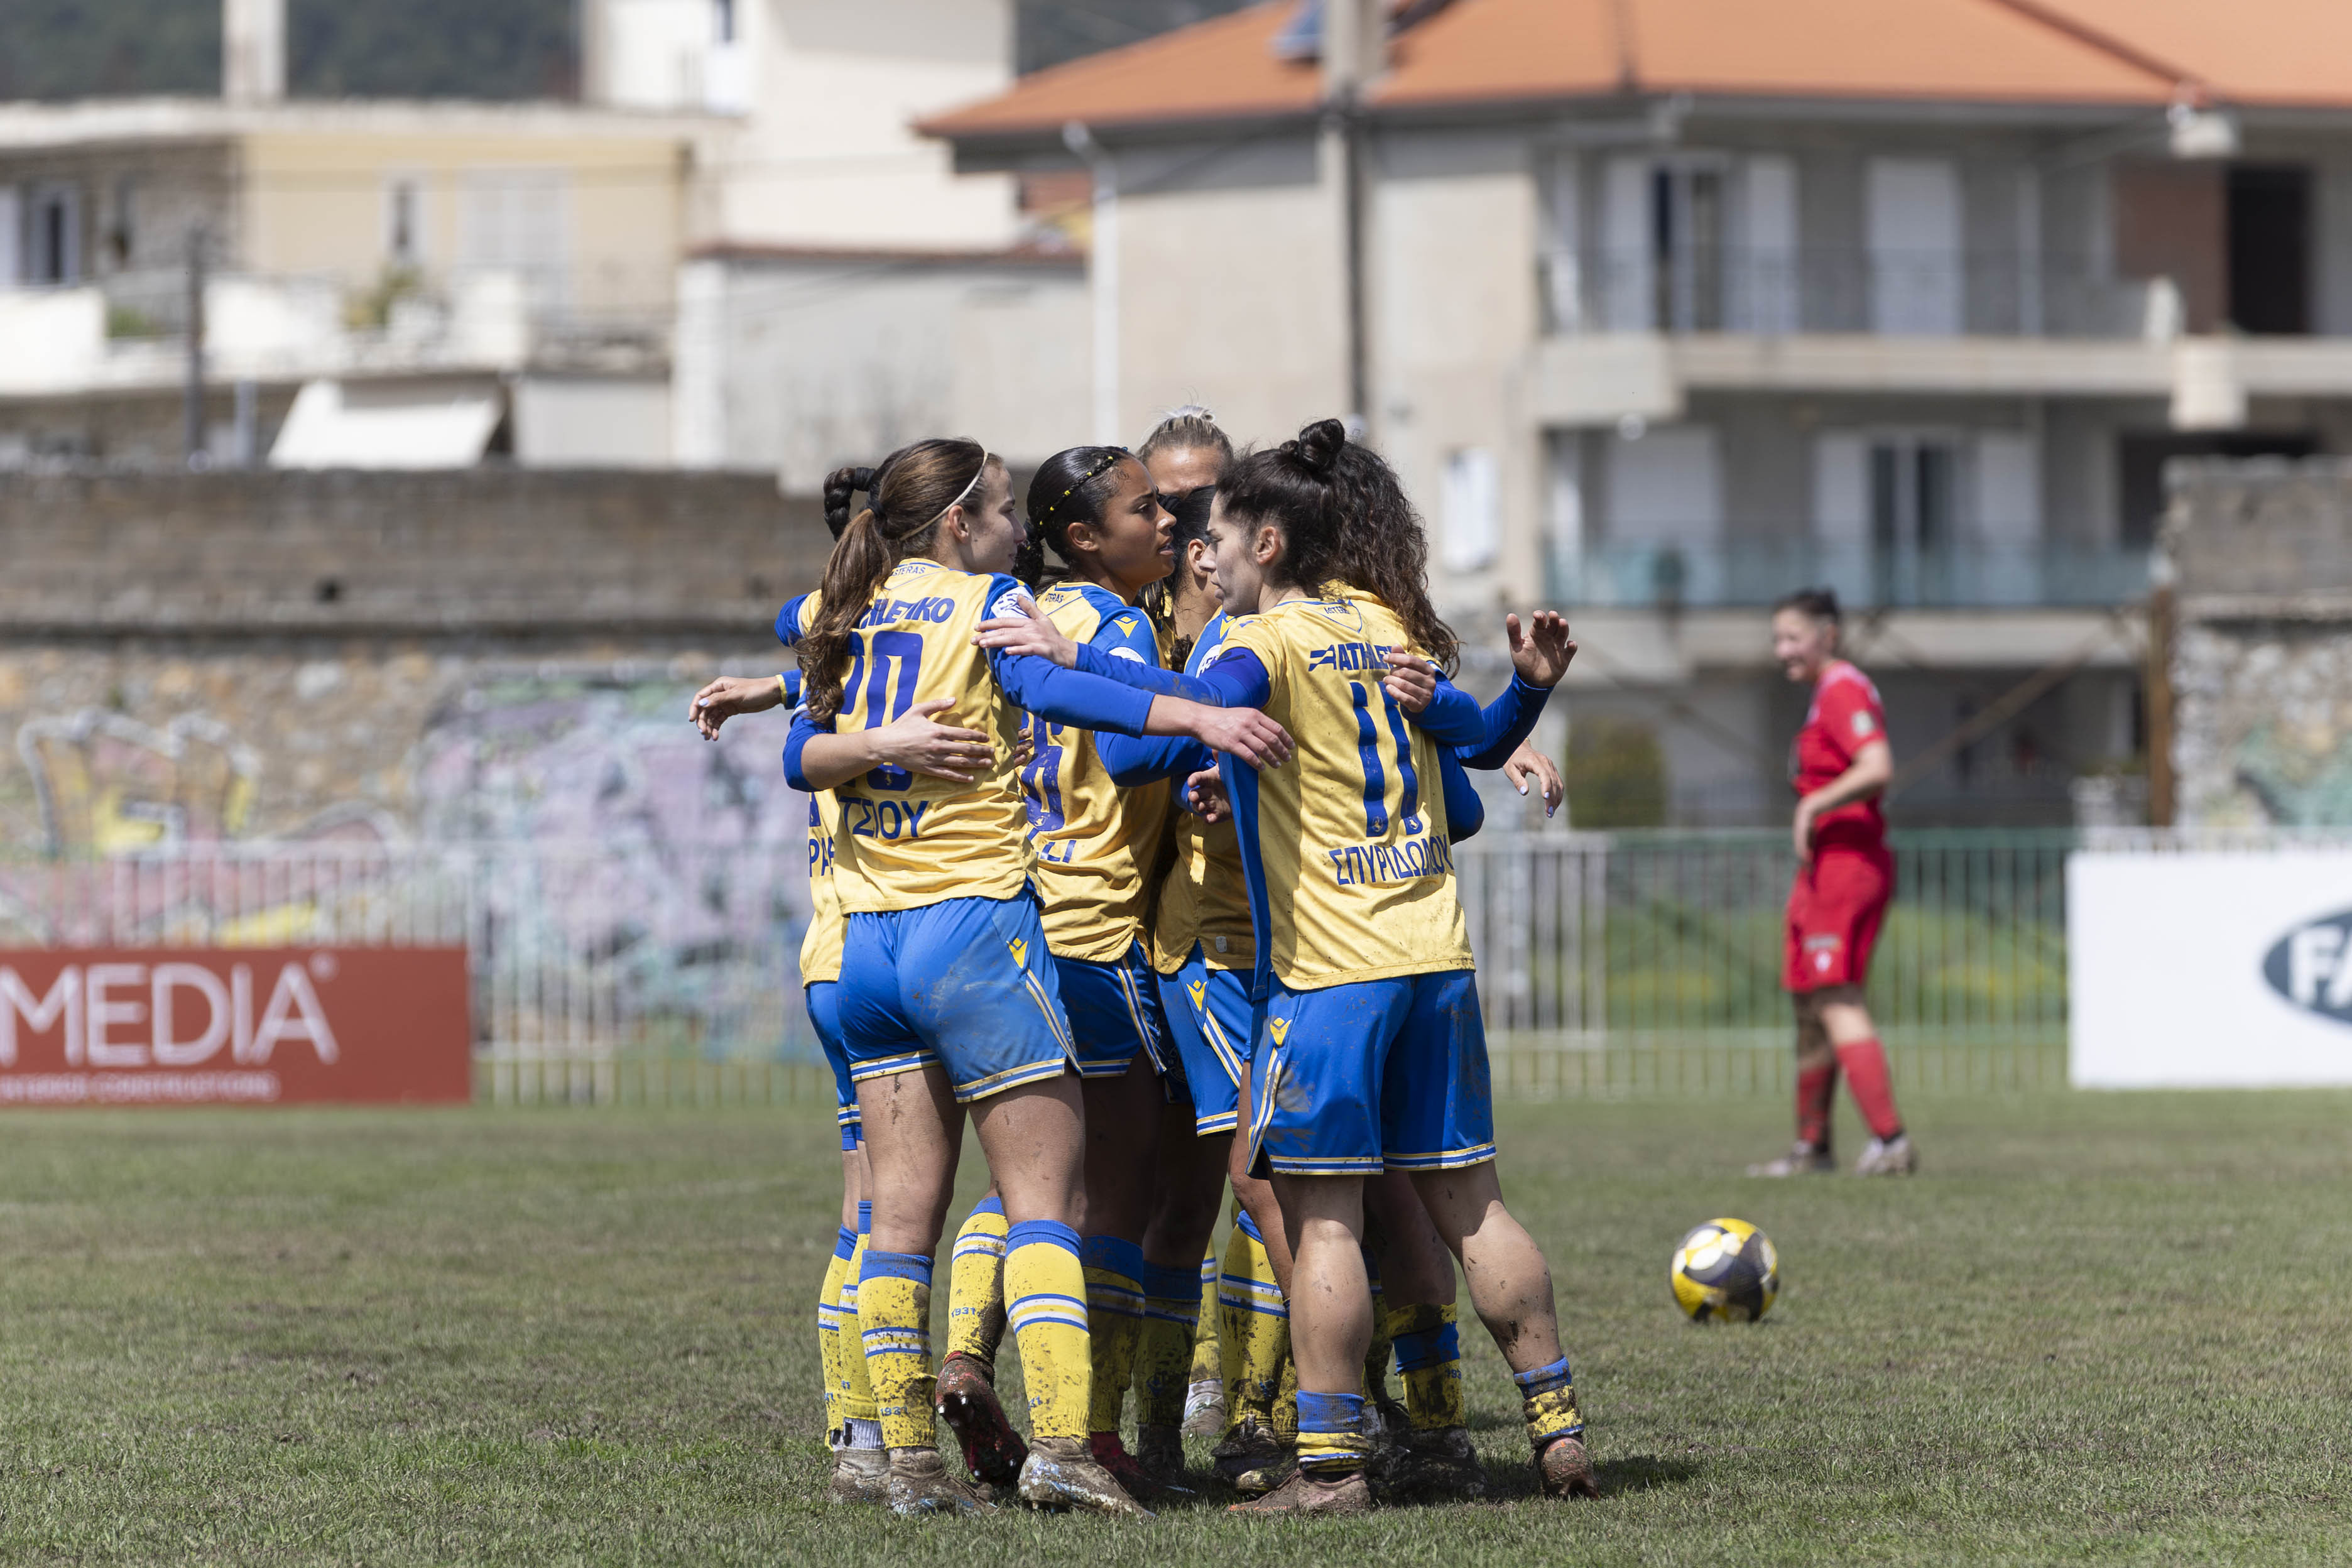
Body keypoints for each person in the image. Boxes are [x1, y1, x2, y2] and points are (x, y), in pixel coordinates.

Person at [993, 418, 1594, 1515]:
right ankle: (1553, 1426)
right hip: (1435, 958)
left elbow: (1138, 744)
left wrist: (1056, 671)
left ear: (1266, 543)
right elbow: (1470, 741)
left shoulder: (1258, 648)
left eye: (1215, 530)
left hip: (1328, 974)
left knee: (1320, 1220)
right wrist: (1532, 691)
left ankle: (1326, 1469)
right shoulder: (1382, 629)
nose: (1198, 551)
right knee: (1471, 1206)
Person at [780, 437, 1292, 1518]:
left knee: (896, 1218)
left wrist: (788, 699)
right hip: (972, 931)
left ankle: (900, 1462)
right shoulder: (987, 612)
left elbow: (801, 730)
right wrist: (1196, 710)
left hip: (862, 942)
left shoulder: (849, 611)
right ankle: (1063, 1445)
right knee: (1047, 1205)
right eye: (1004, 512)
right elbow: (1062, 692)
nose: (1016, 535)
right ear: (960, 522)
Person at [1750, 588, 1916, 1179]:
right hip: (1822, 869)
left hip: (1849, 864)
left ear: (1828, 635)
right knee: (1810, 1003)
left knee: (1838, 996)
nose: (1783, 650)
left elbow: (1878, 765)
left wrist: (1813, 804)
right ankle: (1812, 1148)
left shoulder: (1844, 687)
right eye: (1777, 638)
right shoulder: (1825, 695)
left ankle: (1891, 1139)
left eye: (1793, 637)